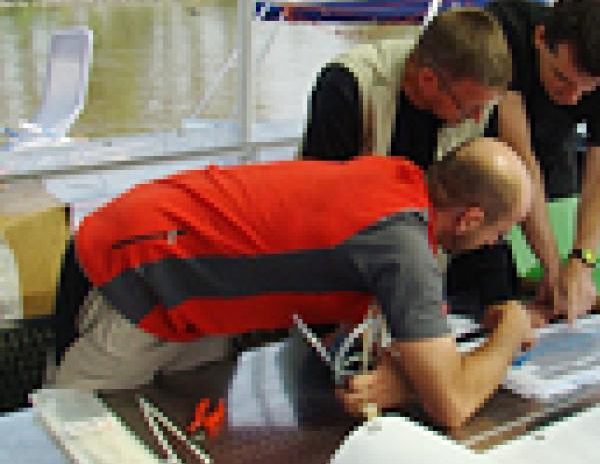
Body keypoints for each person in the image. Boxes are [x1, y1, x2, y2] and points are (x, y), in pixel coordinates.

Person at [53, 138, 535, 429]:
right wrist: (511, 327)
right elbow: (452, 403)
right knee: (69, 437)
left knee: (181, 423)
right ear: (471, 218)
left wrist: (404, 381)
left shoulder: (397, 187)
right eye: (497, 233)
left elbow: (369, 346)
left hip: (192, 287)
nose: (494, 244)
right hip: (138, 272)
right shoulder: (402, 246)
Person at [460, 0, 600, 323]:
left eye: (588, 89)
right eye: (562, 78)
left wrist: (581, 262)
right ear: (540, 39)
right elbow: (522, 160)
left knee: (568, 274)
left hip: (556, 147)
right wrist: (553, 270)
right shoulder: (506, 33)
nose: (572, 98)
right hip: (493, 152)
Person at [300, 7, 512, 169]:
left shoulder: (477, 99)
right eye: (468, 108)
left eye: (486, 107)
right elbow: (322, 196)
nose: (478, 118)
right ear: (428, 80)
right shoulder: (347, 87)